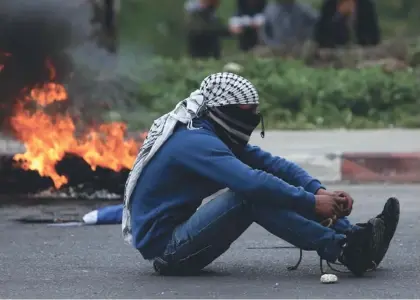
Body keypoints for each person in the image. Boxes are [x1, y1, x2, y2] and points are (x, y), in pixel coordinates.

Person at [122, 72, 400, 277]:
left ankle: (358, 239)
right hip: (168, 250)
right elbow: (252, 182)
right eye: (246, 112)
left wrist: (318, 191)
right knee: (248, 197)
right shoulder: (194, 142)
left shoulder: (212, 133)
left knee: (263, 188)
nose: (252, 118)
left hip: (182, 234)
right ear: (223, 111)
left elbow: (274, 165)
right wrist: (311, 203)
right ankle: (344, 250)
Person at [314, 0, 380, 48]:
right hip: (333, 51)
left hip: (361, 51)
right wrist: (339, 15)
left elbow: (374, 36)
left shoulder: (366, 5)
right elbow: (320, 35)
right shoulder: (329, 4)